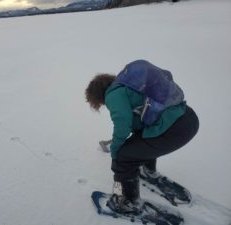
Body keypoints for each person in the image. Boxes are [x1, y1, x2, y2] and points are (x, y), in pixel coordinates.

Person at [85, 60, 199, 213]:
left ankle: (126, 201)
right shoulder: (129, 85)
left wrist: (116, 151)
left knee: (122, 158)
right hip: (188, 118)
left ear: (98, 97)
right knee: (142, 137)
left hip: (175, 130)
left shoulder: (113, 95)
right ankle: (148, 171)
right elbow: (142, 118)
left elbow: (122, 124)